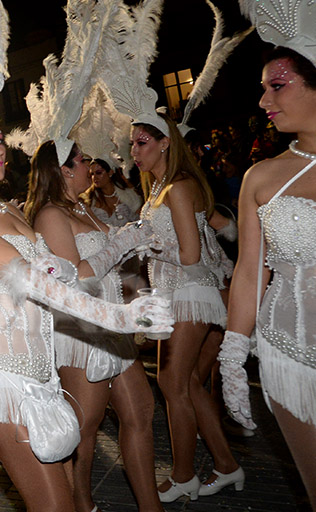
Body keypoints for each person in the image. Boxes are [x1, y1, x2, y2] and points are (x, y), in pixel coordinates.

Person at [0, 110, 171, 511]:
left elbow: (62, 275)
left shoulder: (10, 211)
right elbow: (29, 280)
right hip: (1, 378)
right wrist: (120, 318)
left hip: (42, 374)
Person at [28, 140, 163, 512]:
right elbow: (75, 277)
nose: (90, 165)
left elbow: (111, 246)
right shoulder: (51, 214)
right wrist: (120, 246)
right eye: (82, 160)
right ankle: (80, 504)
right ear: (64, 169)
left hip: (112, 325)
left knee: (140, 410)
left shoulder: (82, 207)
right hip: (81, 332)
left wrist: (138, 240)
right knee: (83, 432)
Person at [220, 47, 316, 506]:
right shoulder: (262, 176)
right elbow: (249, 270)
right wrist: (233, 355)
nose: (263, 101)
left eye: (276, 86)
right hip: (289, 355)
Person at [130, 113, 242, 502]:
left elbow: (192, 255)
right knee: (188, 384)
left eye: (142, 142)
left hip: (190, 293)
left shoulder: (177, 186)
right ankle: (227, 465)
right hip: (174, 294)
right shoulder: (159, 185)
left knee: (173, 384)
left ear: (165, 143)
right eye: (132, 143)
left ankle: (182, 476)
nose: (134, 151)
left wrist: (148, 245)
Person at [82, 158, 141, 226]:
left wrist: (130, 217)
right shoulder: (89, 200)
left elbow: (141, 222)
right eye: (92, 174)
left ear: (110, 172)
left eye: (99, 172)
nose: (94, 177)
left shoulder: (129, 196)